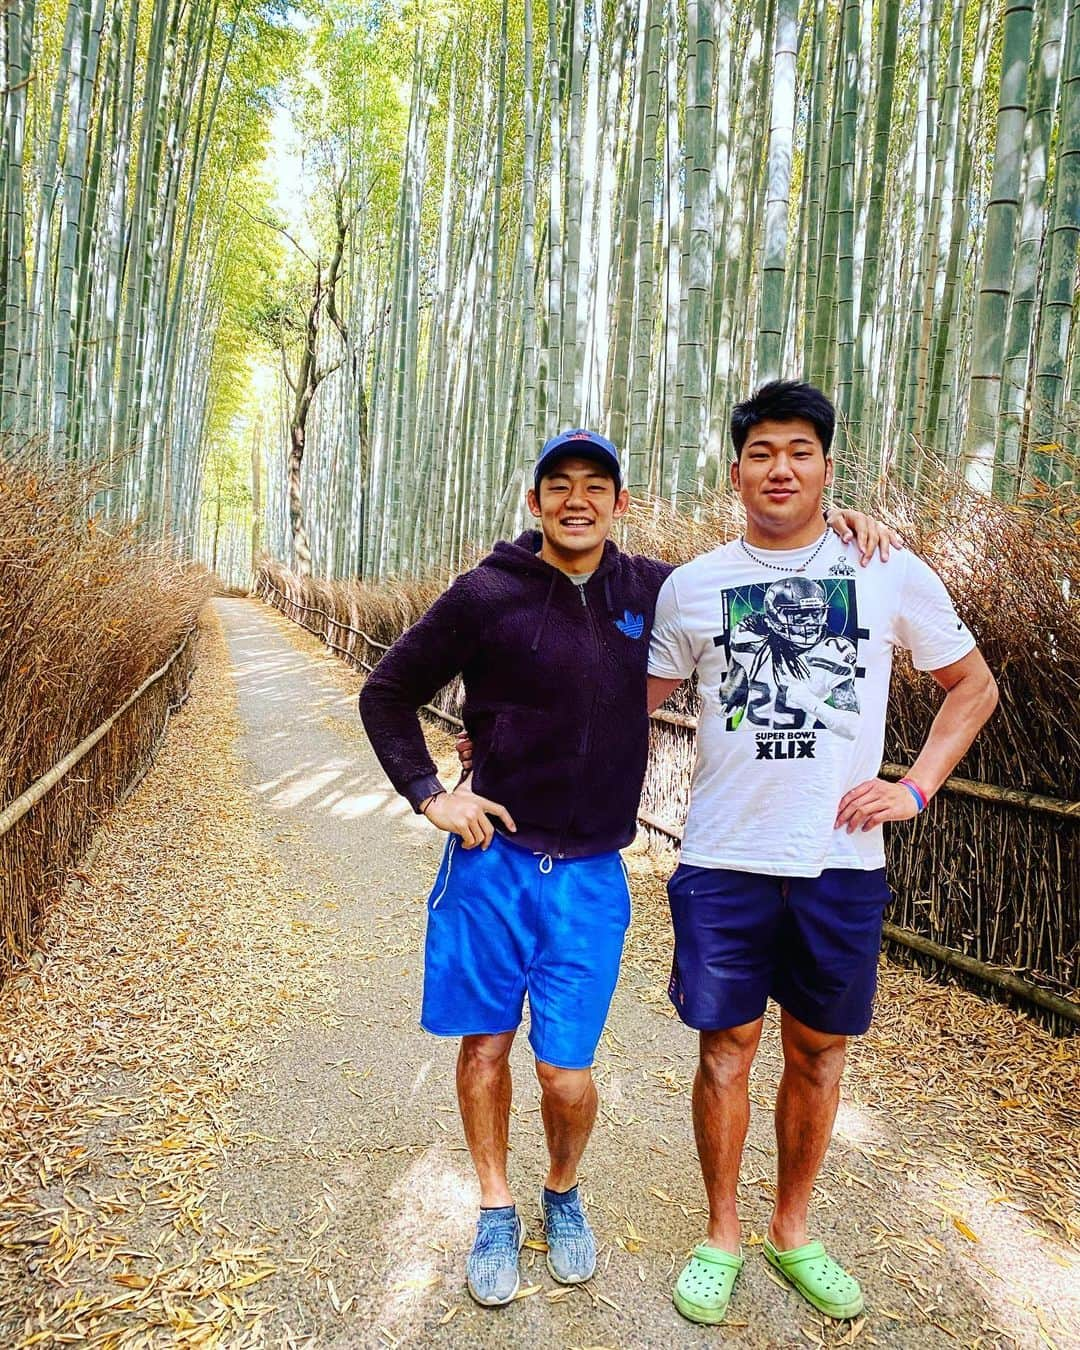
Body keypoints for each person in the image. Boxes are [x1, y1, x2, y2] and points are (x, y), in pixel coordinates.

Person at [359, 426, 894, 1308]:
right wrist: (428, 792)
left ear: (620, 502)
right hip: (491, 864)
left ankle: (561, 1190)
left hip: (591, 876)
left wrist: (840, 526)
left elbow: (768, 570)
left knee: (566, 1072)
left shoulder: (656, 589)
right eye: (558, 485)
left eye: (595, 486)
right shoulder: (484, 592)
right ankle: (495, 1203)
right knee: (486, 1045)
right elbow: (386, 691)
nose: (577, 500)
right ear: (533, 502)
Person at [645, 381, 998, 1326]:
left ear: (828, 467)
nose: (781, 468)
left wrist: (913, 788)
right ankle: (721, 1232)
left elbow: (972, 688)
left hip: (843, 863)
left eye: (800, 451)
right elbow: (619, 708)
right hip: (724, 855)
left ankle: (792, 1229)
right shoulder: (693, 584)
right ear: (736, 471)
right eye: (762, 452)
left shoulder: (885, 568)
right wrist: (505, 745)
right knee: (727, 1049)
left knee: (820, 1049)